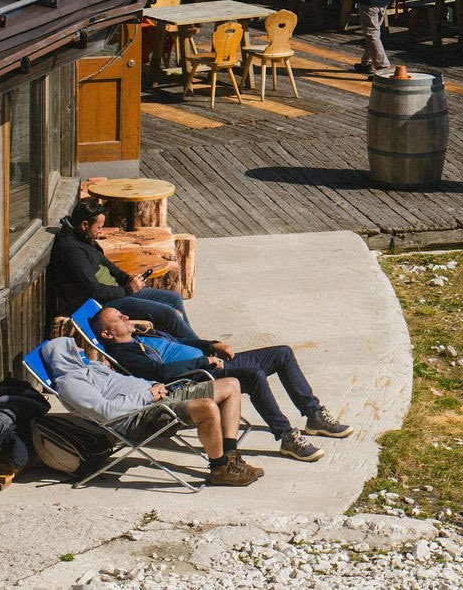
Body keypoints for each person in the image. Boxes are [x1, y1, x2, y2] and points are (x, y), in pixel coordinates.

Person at [91, 306, 351, 462]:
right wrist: (203, 362)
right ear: (107, 334)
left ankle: (313, 414)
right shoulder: (125, 353)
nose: (126, 317)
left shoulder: (144, 334)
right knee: (252, 375)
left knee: (282, 353)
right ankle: (285, 436)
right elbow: (161, 371)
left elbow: (182, 343)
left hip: (210, 361)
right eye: (119, 318)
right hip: (197, 377)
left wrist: (211, 344)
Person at [39, 335, 261, 487]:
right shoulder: (71, 382)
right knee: (207, 407)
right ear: (66, 354)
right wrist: (148, 395)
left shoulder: (91, 368)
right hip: (141, 417)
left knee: (231, 385)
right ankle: (220, 468)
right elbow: (105, 412)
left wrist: (154, 390)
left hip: (159, 397)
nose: (81, 349)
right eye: (74, 347)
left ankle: (231, 457)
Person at [49, 195, 222, 351]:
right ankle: (204, 351)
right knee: (167, 314)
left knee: (173, 299)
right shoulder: (71, 249)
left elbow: (105, 263)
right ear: (84, 225)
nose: (101, 232)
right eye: (99, 227)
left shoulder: (84, 237)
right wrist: (128, 290)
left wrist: (127, 278)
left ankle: (195, 345)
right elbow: (95, 291)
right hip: (101, 302)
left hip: (116, 291)